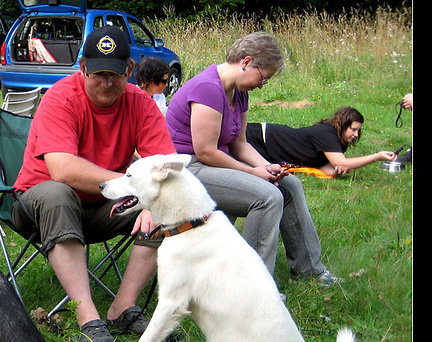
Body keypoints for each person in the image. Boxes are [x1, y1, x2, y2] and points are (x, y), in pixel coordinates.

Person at [12, 26, 176, 342]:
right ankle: (88, 319)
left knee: (167, 204)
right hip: (39, 207)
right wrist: (135, 187)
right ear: (83, 67)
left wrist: (154, 201)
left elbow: (166, 167)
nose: (107, 83)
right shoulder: (61, 97)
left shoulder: (140, 104)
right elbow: (63, 170)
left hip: (103, 207)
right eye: (98, 74)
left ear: (129, 69)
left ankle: (122, 307)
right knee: (58, 194)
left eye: (115, 74)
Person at [165, 31, 342, 286]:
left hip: (212, 163)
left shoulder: (239, 93)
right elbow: (205, 151)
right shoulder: (208, 89)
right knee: (268, 197)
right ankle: (253, 285)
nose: (261, 85)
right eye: (263, 78)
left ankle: (310, 270)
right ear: (246, 62)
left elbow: (240, 143)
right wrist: (252, 172)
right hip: (186, 168)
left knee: (290, 184)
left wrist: (267, 167)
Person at [246, 106, 398, 177]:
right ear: (343, 125)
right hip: (259, 136)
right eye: (353, 129)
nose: (356, 134)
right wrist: (376, 156)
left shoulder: (338, 143)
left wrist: (338, 170)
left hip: (267, 150)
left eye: (358, 130)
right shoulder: (327, 133)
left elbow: (327, 168)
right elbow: (342, 163)